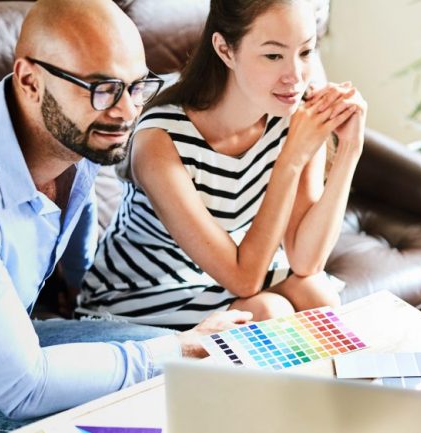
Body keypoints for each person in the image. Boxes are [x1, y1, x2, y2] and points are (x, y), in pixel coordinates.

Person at [0, 1, 253, 430]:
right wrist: (175, 350)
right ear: (30, 81)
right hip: (3, 381)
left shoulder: (77, 132)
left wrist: (77, 278)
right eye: (103, 87)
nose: (128, 111)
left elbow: (77, 207)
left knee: (200, 365)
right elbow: (23, 387)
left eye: (137, 86)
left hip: (15, 339)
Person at [76, 0, 367, 329]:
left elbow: (306, 260)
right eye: (273, 55)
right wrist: (291, 160)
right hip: (139, 290)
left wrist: (350, 148)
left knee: (318, 295)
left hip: (219, 275)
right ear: (225, 50)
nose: (295, 77)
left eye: (305, 52)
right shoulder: (160, 139)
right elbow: (245, 282)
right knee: (269, 314)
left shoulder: (294, 116)